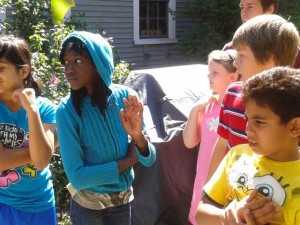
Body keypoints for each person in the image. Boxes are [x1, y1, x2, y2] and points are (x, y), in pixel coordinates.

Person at [56, 31, 156, 225]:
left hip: (122, 202)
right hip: (88, 209)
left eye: (77, 61)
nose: (68, 69)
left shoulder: (126, 98)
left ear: (98, 63)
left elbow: (149, 158)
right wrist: (128, 159)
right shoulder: (66, 111)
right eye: (66, 62)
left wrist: (138, 137)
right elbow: (78, 178)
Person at [196, 66, 300, 225]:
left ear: (295, 127)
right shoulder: (237, 155)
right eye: (247, 119)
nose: (248, 130)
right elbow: (201, 213)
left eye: (259, 122)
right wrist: (228, 216)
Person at [206, 14, 299, 184]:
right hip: (231, 195)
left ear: (268, 58)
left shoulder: (294, 106)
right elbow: (222, 144)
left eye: (241, 55)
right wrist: (208, 191)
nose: (235, 63)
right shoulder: (232, 92)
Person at [0, 36, 57, 224]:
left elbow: (41, 162)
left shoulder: (46, 109)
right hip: (3, 203)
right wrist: (37, 150)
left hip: (40, 204)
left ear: (24, 71)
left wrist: (32, 110)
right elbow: (1, 161)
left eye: (0, 68)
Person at [183, 49, 239, 225]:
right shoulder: (207, 106)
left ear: (233, 77)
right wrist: (195, 110)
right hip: (203, 178)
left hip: (226, 182)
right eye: (209, 72)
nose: (209, 77)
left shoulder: (238, 110)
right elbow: (189, 142)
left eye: (215, 73)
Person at [222, 0, 300, 69]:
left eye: (250, 7)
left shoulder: (291, 51)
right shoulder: (230, 49)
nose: (243, 13)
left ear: (270, 9)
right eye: (242, 7)